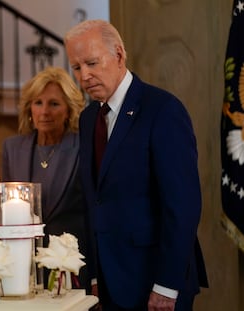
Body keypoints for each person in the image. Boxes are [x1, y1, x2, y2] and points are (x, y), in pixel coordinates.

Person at [63, 20, 208, 311]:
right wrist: (94, 276)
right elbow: (94, 203)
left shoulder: (163, 110)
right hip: (109, 282)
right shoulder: (89, 118)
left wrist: (167, 285)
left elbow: (182, 207)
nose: (85, 76)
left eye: (92, 63)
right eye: (77, 67)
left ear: (118, 55)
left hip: (156, 282)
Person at [1, 66, 91, 291]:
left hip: (73, 262)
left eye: (54, 104)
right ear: (29, 108)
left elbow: (93, 212)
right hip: (24, 263)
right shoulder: (12, 148)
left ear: (69, 110)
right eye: (38, 103)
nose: (44, 112)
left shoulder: (84, 147)